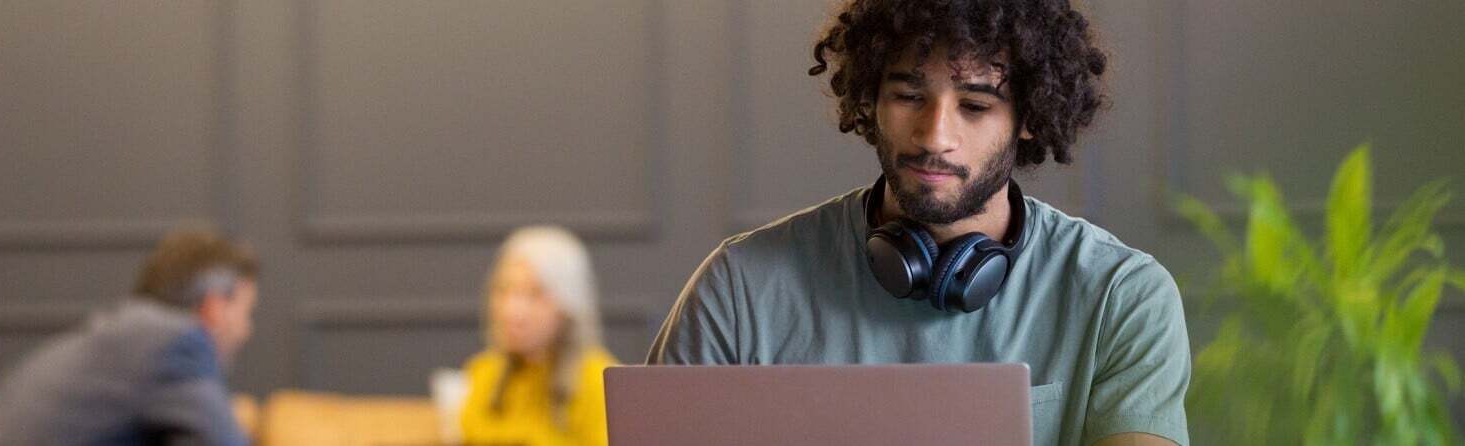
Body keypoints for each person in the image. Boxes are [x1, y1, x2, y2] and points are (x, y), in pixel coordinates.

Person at [647, 1, 1191, 445]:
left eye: (975, 106)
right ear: (871, 100)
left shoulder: (1122, 295)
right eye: (909, 96)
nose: (934, 136)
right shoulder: (738, 287)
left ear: (1029, 117)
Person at [0, 229, 258, 445]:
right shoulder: (177, 342)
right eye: (246, 312)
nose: (247, 330)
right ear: (215, 308)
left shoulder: (87, 348)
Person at [458, 226, 616, 446]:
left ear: (568, 306)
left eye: (535, 294)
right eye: (504, 290)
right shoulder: (484, 374)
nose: (512, 311)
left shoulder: (599, 382)